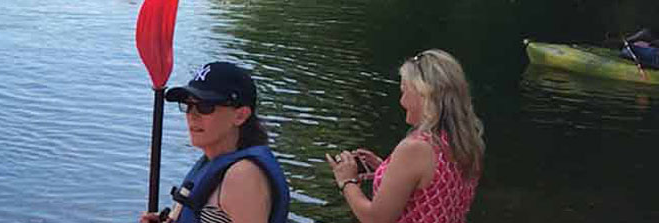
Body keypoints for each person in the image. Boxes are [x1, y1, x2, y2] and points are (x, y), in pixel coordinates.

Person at [326, 49, 484, 223]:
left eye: (404, 91)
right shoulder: (466, 142)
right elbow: (430, 187)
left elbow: (376, 219)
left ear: (424, 94)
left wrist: (347, 181)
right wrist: (385, 170)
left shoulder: (416, 148)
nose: (401, 101)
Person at [139, 62, 290, 223]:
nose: (192, 115)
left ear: (240, 115)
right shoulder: (213, 161)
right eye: (189, 105)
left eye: (205, 107)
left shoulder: (242, 175)